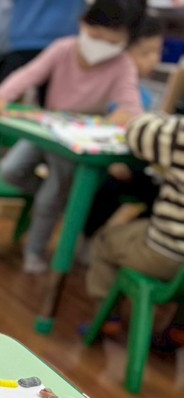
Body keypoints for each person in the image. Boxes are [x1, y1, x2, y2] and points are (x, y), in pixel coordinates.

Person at [0, 0, 146, 274]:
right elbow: (26, 76)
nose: (102, 45)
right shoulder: (63, 48)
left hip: (74, 144)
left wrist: (123, 117)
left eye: (113, 42)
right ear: (82, 24)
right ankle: (60, 204)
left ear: (126, 41)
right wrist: (0, 99)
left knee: (50, 198)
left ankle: (34, 251)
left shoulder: (122, 65)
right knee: (10, 171)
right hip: (46, 131)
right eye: (95, 36)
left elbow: (131, 107)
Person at [86, 112, 184, 341]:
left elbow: (136, 132)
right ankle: (178, 328)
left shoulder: (178, 133)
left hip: (165, 254)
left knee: (105, 240)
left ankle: (106, 318)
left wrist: (148, 115)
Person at [83, 14, 165, 240]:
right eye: (146, 53)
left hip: (133, 163)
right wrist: (113, 162)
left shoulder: (145, 95)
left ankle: (125, 236)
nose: (154, 60)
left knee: (160, 192)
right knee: (105, 190)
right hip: (105, 163)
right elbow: (103, 129)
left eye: (158, 52)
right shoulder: (112, 89)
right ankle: (90, 239)